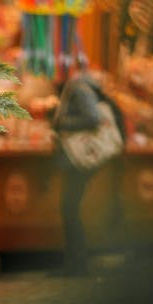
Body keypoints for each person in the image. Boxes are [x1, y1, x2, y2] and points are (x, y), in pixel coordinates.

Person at [51, 69, 125, 277]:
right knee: (70, 208)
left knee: (69, 208)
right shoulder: (85, 87)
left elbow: (92, 118)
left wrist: (61, 124)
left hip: (79, 158)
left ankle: (77, 264)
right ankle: (75, 263)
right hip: (82, 159)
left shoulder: (79, 88)